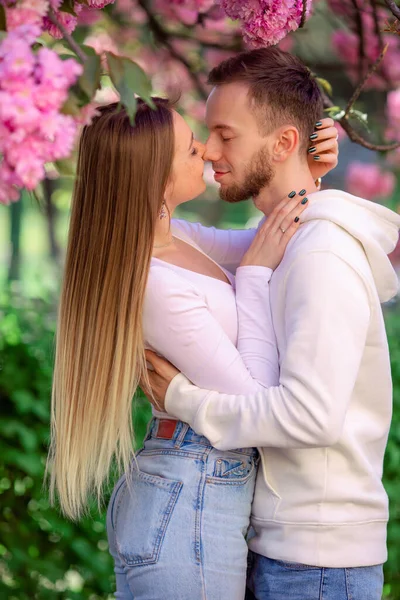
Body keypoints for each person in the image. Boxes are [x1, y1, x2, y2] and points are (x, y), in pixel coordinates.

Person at [46, 52, 338, 600]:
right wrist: (251, 277)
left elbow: (276, 236)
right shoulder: (152, 280)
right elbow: (255, 397)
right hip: (189, 491)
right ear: (155, 179)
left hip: (196, 482)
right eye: (189, 148)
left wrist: (304, 175)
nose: (204, 149)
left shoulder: (175, 241)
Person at [144, 48, 400, 600]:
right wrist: (309, 181)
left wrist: (186, 401)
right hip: (288, 548)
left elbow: (310, 417)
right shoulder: (289, 242)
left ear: (282, 142)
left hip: (317, 564)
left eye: (224, 134)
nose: (209, 150)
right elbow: (182, 241)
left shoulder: (319, 254)